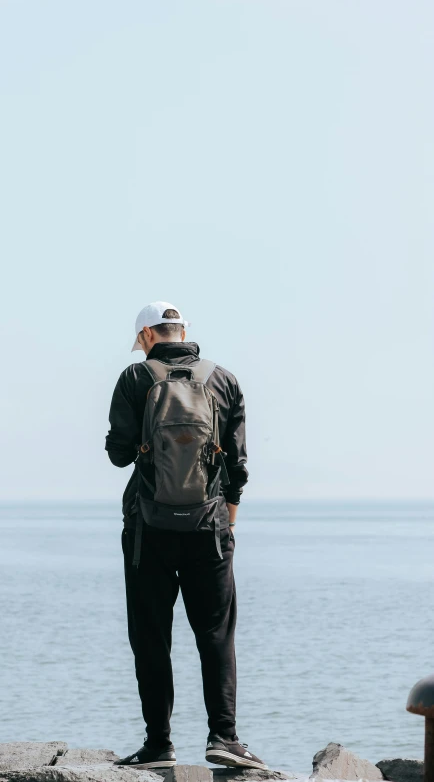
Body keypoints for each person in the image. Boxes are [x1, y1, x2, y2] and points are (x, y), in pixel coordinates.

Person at [105, 301, 267, 771]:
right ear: (181, 331)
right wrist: (227, 522)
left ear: (147, 336)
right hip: (210, 528)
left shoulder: (135, 379)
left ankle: (159, 744)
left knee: (151, 636)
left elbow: (118, 455)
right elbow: (237, 468)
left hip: (147, 530)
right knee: (215, 634)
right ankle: (225, 737)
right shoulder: (224, 379)